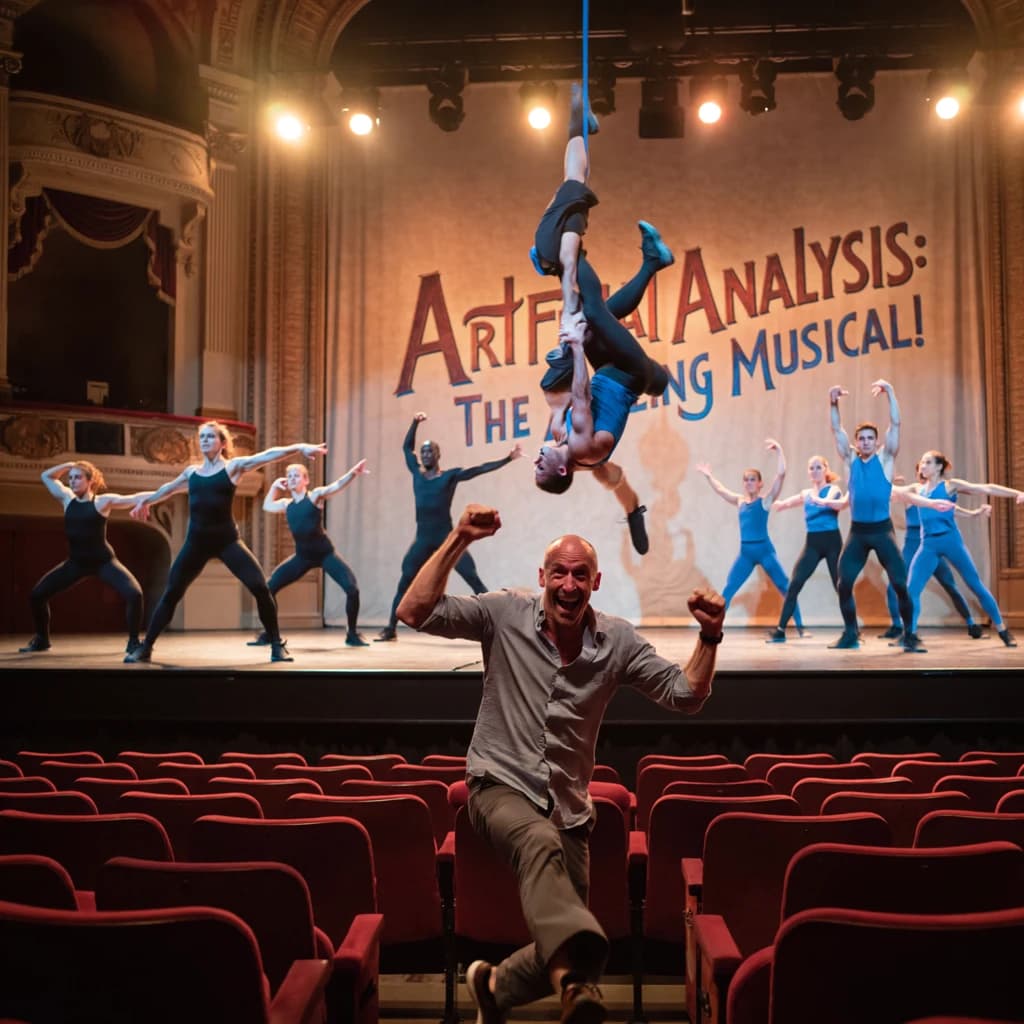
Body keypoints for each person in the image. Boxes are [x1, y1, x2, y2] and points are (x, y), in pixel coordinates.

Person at [395, 503, 724, 1024]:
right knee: (551, 869)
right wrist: (459, 536)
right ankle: (574, 983)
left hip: (568, 808)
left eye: (579, 575)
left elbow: (684, 694)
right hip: (497, 785)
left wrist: (708, 638)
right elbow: (414, 612)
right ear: (542, 577)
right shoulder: (503, 613)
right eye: (559, 573)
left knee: (570, 939)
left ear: (596, 582)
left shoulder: (616, 642)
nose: (568, 584)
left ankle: (494, 984)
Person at [532, 85, 674, 504]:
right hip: (631, 373)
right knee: (591, 309)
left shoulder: (562, 439)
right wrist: (574, 347)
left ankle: (653, 262)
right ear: (561, 469)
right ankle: (581, 257)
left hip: (615, 373)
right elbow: (579, 392)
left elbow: (561, 398)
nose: (536, 457)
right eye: (540, 465)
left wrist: (564, 343)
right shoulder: (583, 450)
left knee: (595, 313)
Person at [125, 421, 327, 663]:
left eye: (211, 437)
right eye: (203, 437)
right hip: (196, 543)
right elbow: (167, 489)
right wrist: (146, 501)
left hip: (227, 541)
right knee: (171, 593)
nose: (205, 441)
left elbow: (268, 455)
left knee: (261, 589)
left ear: (222, 443)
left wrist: (300, 447)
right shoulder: (192, 473)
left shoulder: (233, 468)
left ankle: (276, 645)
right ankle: (146, 647)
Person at [375, 413, 523, 641]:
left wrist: (508, 458)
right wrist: (414, 423)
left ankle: (497, 623)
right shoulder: (417, 473)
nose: (425, 454)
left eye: (429, 451)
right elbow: (406, 449)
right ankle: (390, 628)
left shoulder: (450, 477)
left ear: (438, 455)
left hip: (447, 538)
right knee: (405, 580)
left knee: (473, 579)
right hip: (423, 540)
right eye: (423, 451)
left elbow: (479, 469)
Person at [18, 460, 148, 655]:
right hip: (76, 563)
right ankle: (42, 639)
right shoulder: (66, 499)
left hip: (104, 562)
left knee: (135, 594)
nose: (72, 481)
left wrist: (166, 492)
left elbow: (137, 496)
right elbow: (46, 476)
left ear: (90, 481)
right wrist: (68, 465)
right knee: (37, 595)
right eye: (70, 478)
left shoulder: (102, 501)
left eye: (78, 477)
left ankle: (133, 642)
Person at [899, 449, 1021, 651]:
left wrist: (1017, 493)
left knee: (975, 585)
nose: (923, 466)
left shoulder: (950, 486)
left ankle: (1002, 629)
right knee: (911, 590)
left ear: (939, 466)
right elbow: (889, 490)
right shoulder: (916, 489)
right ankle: (910, 635)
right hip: (927, 544)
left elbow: (985, 488)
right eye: (921, 462)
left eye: (928, 462)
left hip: (951, 541)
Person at [825, 379, 914, 650]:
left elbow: (896, 424)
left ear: (876, 442)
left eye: (870, 438)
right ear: (856, 443)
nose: (865, 442)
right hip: (858, 532)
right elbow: (836, 428)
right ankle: (851, 634)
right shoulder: (850, 460)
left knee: (900, 584)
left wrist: (891, 392)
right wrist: (833, 402)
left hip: (882, 531)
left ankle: (909, 634)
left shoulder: (886, 460)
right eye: (861, 438)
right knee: (843, 584)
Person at [250, 458, 371, 648]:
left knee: (352, 589)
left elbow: (335, 487)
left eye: (296, 476)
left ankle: (352, 633)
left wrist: (353, 473)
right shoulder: (286, 504)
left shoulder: (314, 496)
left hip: (325, 554)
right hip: (302, 557)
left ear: (306, 480)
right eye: (289, 476)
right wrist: (274, 486)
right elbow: (267, 506)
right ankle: (269, 634)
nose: (292, 479)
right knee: (269, 588)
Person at [697, 439, 805, 634]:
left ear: (760, 483)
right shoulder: (740, 502)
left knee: (784, 586)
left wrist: (780, 450)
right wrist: (709, 476)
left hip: (764, 550)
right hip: (746, 553)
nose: (749, 483)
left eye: (752, 479)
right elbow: (721, 491)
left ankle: (800, 626)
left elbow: (781, 475)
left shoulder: (765, 501)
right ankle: (714, 626)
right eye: (746, 479)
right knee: (729, 589)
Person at [880, 461, 978, 641]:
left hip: (932, 544)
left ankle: (971, 622)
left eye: (926, 467)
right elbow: (890, 490)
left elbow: (951, 508)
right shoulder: (913, 492)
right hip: (912, 545)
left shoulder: (935, 493)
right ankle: (899, 626)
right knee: (897, 585)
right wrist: (890, 475)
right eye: (920, 469)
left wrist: (972, 512)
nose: (922, 472)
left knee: (949, 585)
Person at [766, 454, 843, 643]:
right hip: (813, 544)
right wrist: (769, 502)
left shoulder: (833, 490)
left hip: (832, 542)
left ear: (826, 469)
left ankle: (852, 629)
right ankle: (780, 630)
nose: (815, 471)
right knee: (794, 585)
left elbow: (827, 501)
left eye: (818, 467)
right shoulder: (806, 493)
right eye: (811, 468)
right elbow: (783, 504)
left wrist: (815, 498)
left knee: (841, 586)